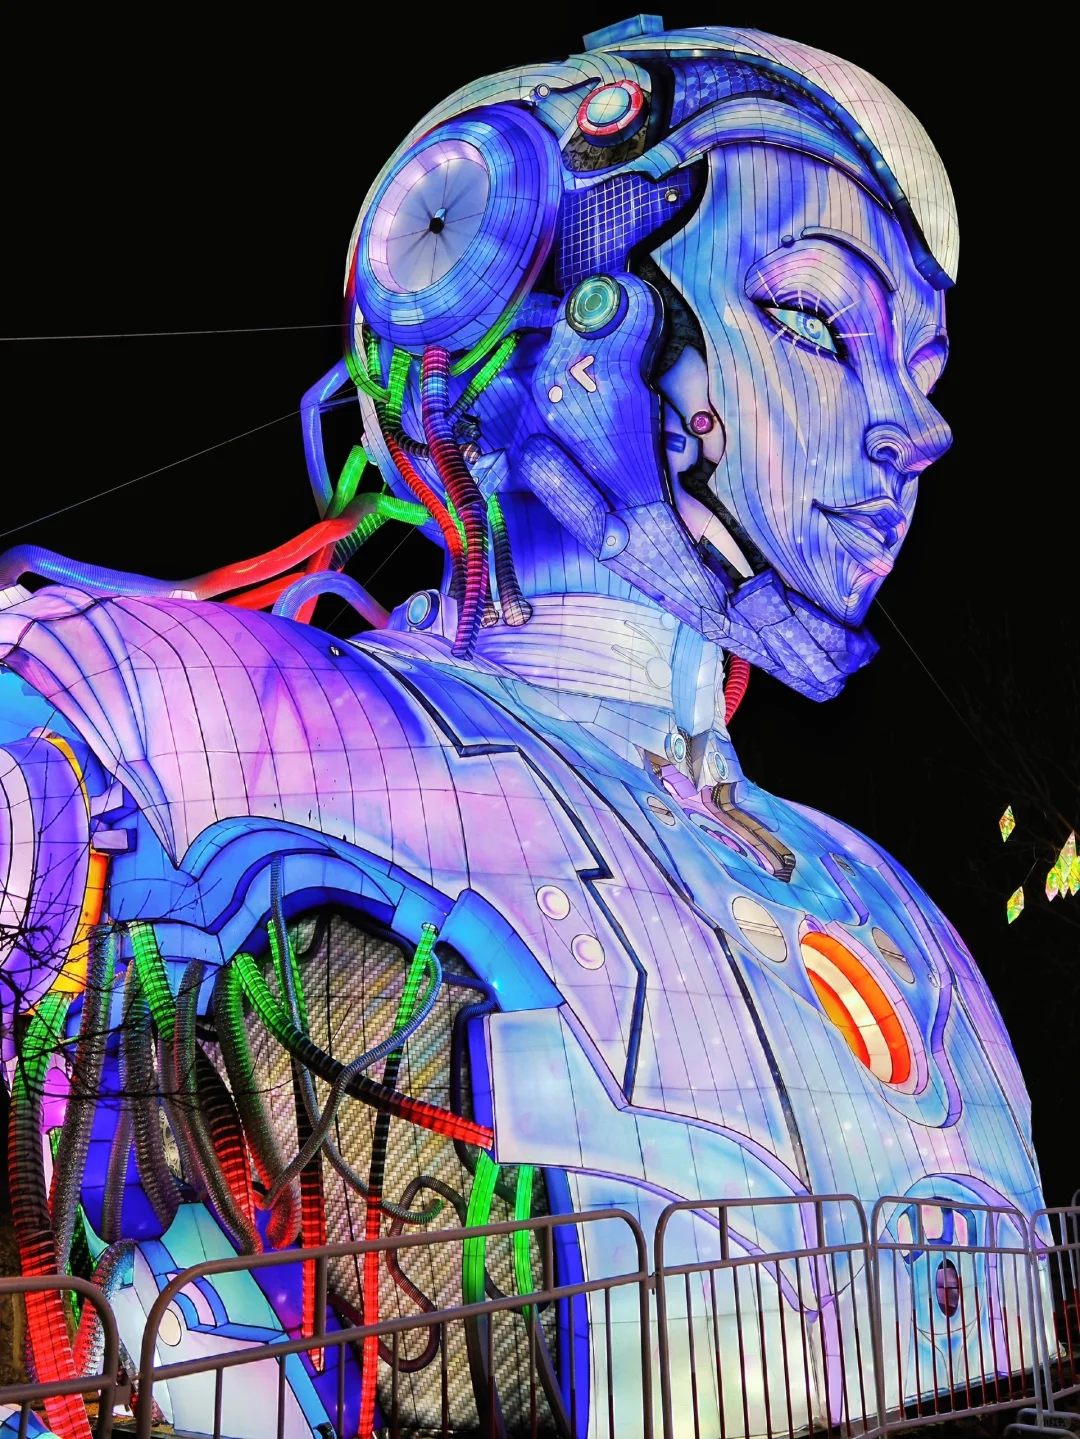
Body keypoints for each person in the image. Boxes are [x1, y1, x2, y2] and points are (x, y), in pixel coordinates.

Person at [0, 19, 1043, 1438]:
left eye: (921, 370)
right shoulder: (180, 710)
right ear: (528, 292)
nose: (915, 430)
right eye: (815, 319)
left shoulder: (886, 900)